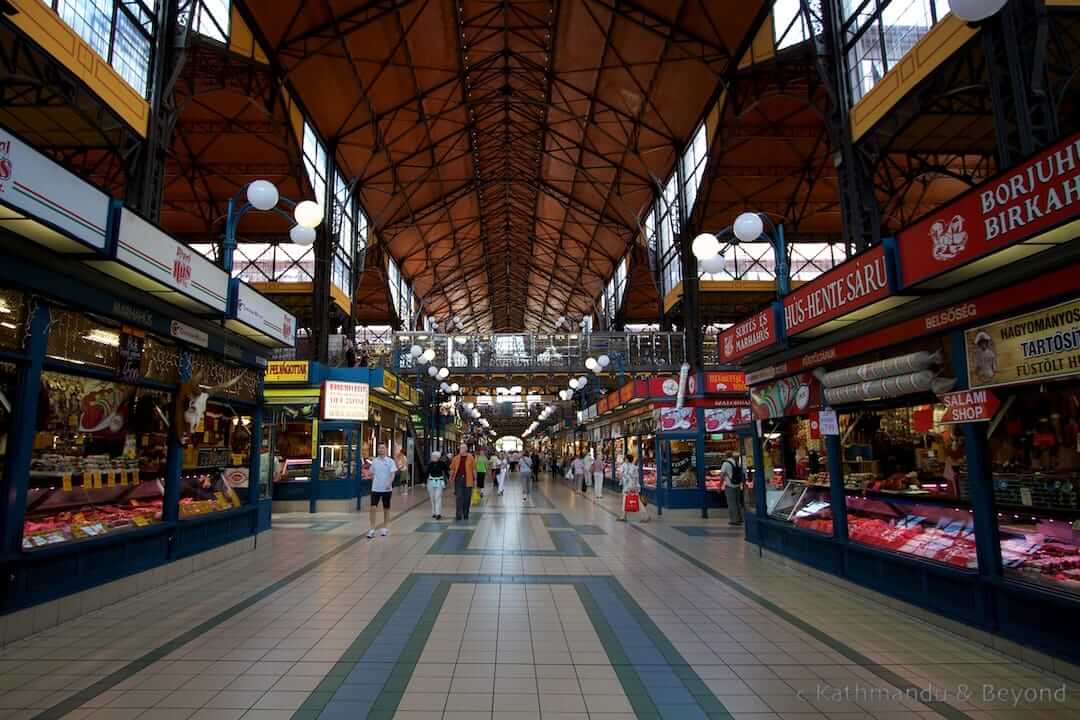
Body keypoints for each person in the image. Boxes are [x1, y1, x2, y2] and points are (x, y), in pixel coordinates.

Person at [367, 444, 397, 538]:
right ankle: (372, 529)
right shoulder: (374, 461)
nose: (381, 449)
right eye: (379, 448)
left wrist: (389, 483)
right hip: (375, 489)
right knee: (373, 508)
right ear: (377, 449)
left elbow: (393, 474)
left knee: (386, 509)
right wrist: (373, 480)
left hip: (387, 489)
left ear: (386, 449)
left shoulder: (390, 461)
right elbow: (371, 473)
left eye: (383, 448)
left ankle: (385, 528)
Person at [618, 453, 649, 522]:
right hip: (634, 486)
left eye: (625, 458)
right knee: (635, 501)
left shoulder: (625, 466)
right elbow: (636, 477)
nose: (624, 459)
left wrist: (622, 478)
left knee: (626, 501)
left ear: (627, 459)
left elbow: (622, 475)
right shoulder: (634, 467)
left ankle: (623, 517)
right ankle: (624, 516)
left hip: (628, 487)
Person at [449, 443, 476, 520]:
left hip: (468, 479)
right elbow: (452, 469)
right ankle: (458, 515)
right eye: (460, 448)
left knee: (467, 497)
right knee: (459, 497)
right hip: (458, 479)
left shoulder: (471, 457)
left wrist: (475, 479)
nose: (461, 449)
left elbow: (474, 469)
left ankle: (466, 513)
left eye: (463, 448)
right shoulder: (456, 458)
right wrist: (451, 478)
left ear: (466, 449)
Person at [720, 451, 745, 526]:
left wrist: (719, 486)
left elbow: (722, 475)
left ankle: (734, 520)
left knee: (732, 503)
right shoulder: (736, 462)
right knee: (738, 502)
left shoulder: (725, 463)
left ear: (726, 456)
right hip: (737, 485)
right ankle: (740, 518)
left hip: (730, 486)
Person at [425, 450, 447, 519]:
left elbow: (446, 471)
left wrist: (449, 478)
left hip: (439, 481)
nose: (432, 457)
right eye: (432, 456)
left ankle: (438, 513)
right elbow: (426, 473)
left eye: (434, 456)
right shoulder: (430, 464)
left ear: (437, 457)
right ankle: (433, 512)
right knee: (432, 498)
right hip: (431, 482)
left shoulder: (442, 463)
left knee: (438, 497)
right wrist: (423, 482)